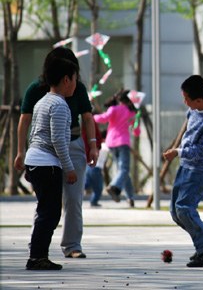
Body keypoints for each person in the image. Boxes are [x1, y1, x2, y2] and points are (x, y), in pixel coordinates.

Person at [14, 47, 98, 259]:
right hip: (47, 152)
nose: (75, 79)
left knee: (70, 199)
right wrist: (20, 151)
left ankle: (70, 245)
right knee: (48, 204)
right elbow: (30, 124)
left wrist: (92, 144)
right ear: (64, 77)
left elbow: (87, 117)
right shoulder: (43, 93)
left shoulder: (74, 90)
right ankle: (37, 248)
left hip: (71, 144)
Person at [24, 56, 79, 270]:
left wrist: (29, 161)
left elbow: (34, 133)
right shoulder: (59, 105)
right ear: (66, 79)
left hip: (36, 160)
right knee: (50, 212)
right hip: (47, 164)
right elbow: (58, 140)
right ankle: (37, 257)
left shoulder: (42, 101)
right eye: (75, 78)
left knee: (46, 210)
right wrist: (69, 168)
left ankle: (38, 255)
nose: (76, 83)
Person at [163, 75, 203, 268]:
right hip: (185, 166)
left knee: (185, 209)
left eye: (187, 98)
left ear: (199, 100)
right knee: (175, 212)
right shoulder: (193, 111)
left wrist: (177, 152)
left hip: (200, 170)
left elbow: (201, 152)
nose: (184, 101)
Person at [94, 90, 140, 207]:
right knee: (124, 170)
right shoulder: (132, 113)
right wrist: (136, 121)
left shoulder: (114, 109)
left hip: (111, 143)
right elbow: (136, 132)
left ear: (119, 100)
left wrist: (91, 117)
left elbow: (103, 118)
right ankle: (114, 186)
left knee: (123, 171)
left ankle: (130, 198)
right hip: (123, 143)